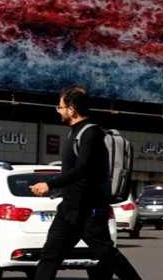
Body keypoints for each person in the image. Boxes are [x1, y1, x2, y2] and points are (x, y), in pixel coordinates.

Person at [29, 87, 142, 280]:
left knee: (108, 255)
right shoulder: (74, 132)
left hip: (89, 209)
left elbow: (82, 169)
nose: (58, 111)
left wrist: (50, 184)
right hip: (69, 209)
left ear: (72, 110)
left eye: (60, 107)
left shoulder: (91, 133)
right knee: (50, 255)